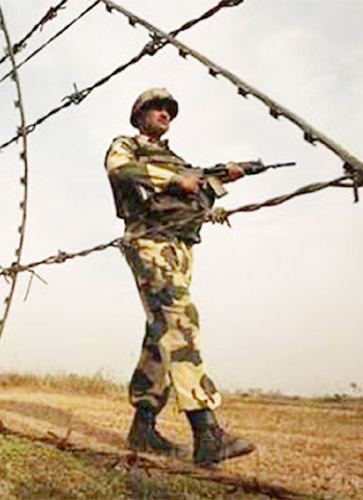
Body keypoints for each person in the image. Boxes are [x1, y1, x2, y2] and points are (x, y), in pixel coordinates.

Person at [103, 88, 256, 467]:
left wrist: (222, 178)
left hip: (181, 246)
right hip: (149, 240)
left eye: (168, 110)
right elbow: (119, 169)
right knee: (180, 321)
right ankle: (207, 431)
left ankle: (143, 427)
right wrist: (175, 179)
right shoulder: (127, 145)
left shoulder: (178, 159)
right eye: (155, 108)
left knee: (162, 332)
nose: (163, 113)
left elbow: (194, 193)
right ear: (139, 116)